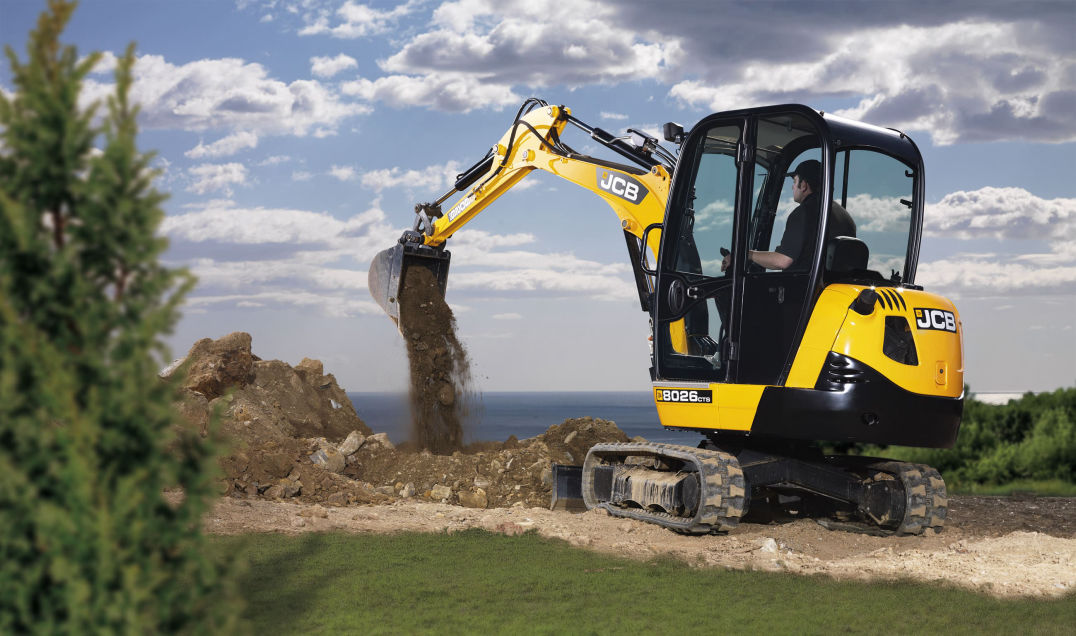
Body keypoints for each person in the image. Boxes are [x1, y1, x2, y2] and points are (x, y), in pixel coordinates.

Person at [722, 159, 855, 272]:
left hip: (801, 290)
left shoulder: (803, 212)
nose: (792, 187)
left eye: (794, 181)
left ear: (803, 185)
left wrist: (746, 254)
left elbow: (782, 261)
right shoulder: (845, 216)